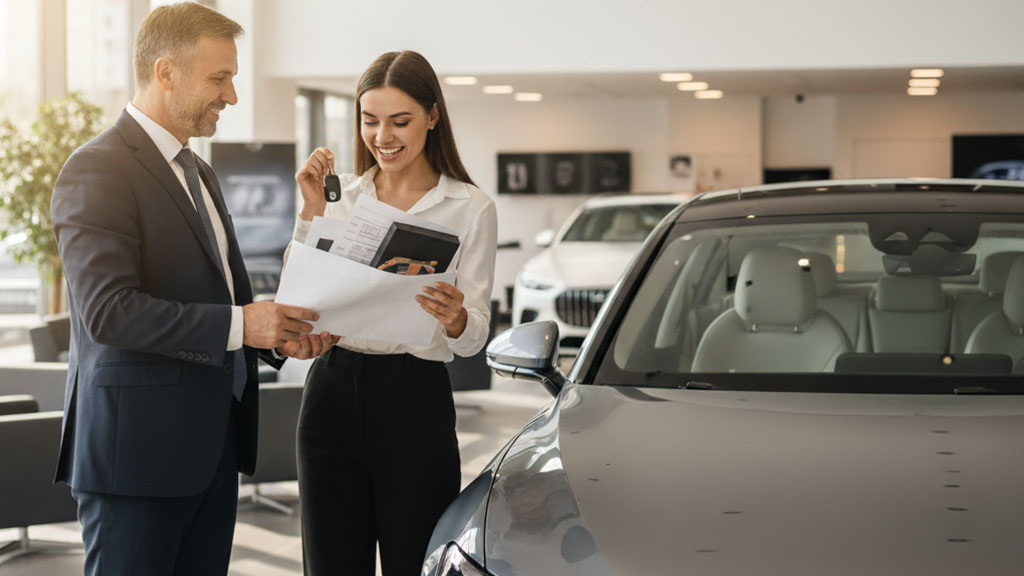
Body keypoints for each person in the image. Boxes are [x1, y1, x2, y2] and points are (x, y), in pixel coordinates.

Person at [49, 3, 334, 575]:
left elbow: (219, 301)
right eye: (219, 77)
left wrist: (272, 339)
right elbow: (109, 312)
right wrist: (242, 325)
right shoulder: (96, 169)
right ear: (165, 72)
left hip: (211, 453)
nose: (231, 95)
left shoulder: (198, 172)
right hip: (136, 461)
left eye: (232, 78)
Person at [292, 50, 497, 575]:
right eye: (370, 120)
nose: (383, 136)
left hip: (414, 399)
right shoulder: (343, 198)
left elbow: (471, 340)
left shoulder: (470, 208)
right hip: (332, 394)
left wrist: (455, 319)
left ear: (432, 116)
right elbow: (300, 302)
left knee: (416, 562)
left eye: (400, 121)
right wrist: (312, 213)